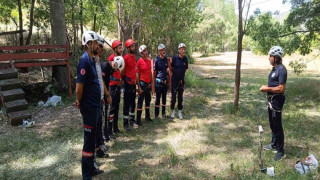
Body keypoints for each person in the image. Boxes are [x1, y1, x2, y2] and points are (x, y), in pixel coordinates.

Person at [76, 30, 103, 179]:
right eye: (95, 43)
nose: (98, 46)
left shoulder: (92, 59)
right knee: (88, 142)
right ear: (89, 44)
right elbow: (79, 87)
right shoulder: (84, 60)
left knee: (93, 140)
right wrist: (79, 101)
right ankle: (86, 174)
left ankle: (91, 167)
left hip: (96, 105)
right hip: (89, 107)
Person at [260, 46, 287, 161]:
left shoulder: (281, 69)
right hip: (271, 100)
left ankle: (280, 150)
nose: (269, 58)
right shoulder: (274, 69)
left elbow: (281, 88)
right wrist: (268, 89)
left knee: (277, 125)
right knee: (272, 123)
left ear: (276, 57)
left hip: (277, 100)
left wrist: (267, 88)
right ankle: (274, 144)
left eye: (270, 56)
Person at [94, 34, 112, 159]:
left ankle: (99, 147)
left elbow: (101, 82)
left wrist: (105, 95)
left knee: (99, 123)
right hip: (93, 101)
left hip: (99, 98)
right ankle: (94, 152)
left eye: (101, 47)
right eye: (99, 46)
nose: (100, 49)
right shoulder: (89, 61)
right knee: (94, 128)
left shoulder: (97, 61)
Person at [105, 40, 123, 139]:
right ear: (115, 49)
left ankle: (115, 127)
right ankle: (109, 129)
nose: (121, 49)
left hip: (118, 85)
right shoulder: (111, 58)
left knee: (116, 107)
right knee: (112, 108)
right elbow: (110, 71)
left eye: (121, 47)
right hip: (112, 86)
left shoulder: (121, 58)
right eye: (119, 48)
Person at [122, 39, 138, 131]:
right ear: (128, 48)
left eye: (134, 46)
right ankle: (125, 123)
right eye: (132, 46)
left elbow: (134, 69)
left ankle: (132, 120)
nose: (133, 48)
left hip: (133, 83)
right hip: (128, 83)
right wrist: (126, 80)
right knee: (126, 104)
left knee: (133, 103)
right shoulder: (125, 58)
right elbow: (123, 72)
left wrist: (134, 81)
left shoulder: (134, 56)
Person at [136, 45, 154, 125]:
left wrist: (151, 83)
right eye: (143, 51)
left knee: (148, 100)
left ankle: (147, 116)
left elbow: (151, 72)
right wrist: (138, 86)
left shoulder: (149, 61)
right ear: (141, 53)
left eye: (146, 50)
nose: (145, 52)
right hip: (142, 83)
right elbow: (137, 74)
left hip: (148, 84)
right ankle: (138, 119)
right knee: (140, 101)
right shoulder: (139, 62)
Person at [170, 43, 188, 119]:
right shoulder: (175, 58)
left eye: (184, 49)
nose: (183, 50)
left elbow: (186, 69)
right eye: (182, 49)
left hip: (181, 81)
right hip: (174, 81)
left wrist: (181, 76)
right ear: (179, 50)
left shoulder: (185, 59)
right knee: (173, 97)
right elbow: (171, 67)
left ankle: (179, 111)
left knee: (180, 97)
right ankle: (173, 111)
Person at [153, 44, 170, 119]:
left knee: (164, 98)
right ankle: (156, 115)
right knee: (157, 98)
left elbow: (168, 69)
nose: (163, 51)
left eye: (164, 49)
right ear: (159, 51)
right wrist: (154, 83)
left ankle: (163, 113)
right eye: (162, 50)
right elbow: (154, 72)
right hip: (158, 82)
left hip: (165, 81)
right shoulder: (156, 60)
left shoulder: (166, 59)